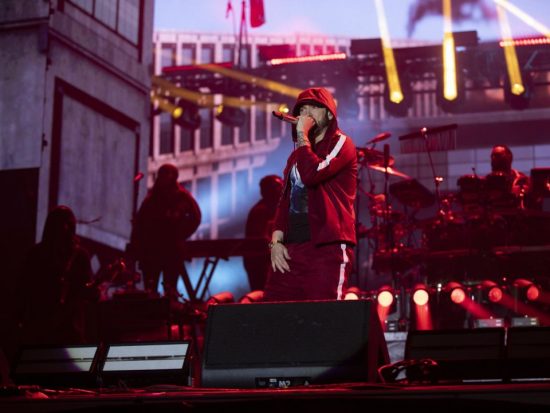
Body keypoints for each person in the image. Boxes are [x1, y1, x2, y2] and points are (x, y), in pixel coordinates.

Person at [263, 87, 357, 302]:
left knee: (323, 318)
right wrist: (275, 243)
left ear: (330, 114)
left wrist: (301, 136)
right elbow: (284, 201)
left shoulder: (341, 143)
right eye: (302, 109)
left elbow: (313, 174)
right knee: (273, 317)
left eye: (314, 108)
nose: (306, 113)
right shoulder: (297, 155)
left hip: (326, 247)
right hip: (291, 250)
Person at [17, 205, 94, 344]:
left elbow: (22, 293)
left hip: (43, 333)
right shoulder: (80, 257)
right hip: (66, 334)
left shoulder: (35, 254)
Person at [130, 164, 201, 303]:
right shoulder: (151, 199)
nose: (165, 178)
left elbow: (195, 218)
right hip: (151, 252)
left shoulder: (181, 197)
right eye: (163, 174)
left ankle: (170, 318)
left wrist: (180, 234)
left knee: (170, 290)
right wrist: (136, 245)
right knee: (151, 292)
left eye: (168, 174)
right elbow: (140, 224)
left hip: (171, 250)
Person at [244, 174, 284, 291]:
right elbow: (263, 241)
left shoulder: (277, 209)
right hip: (260, 265)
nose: (282, 188)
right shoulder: (260, 212)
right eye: (278, 186)